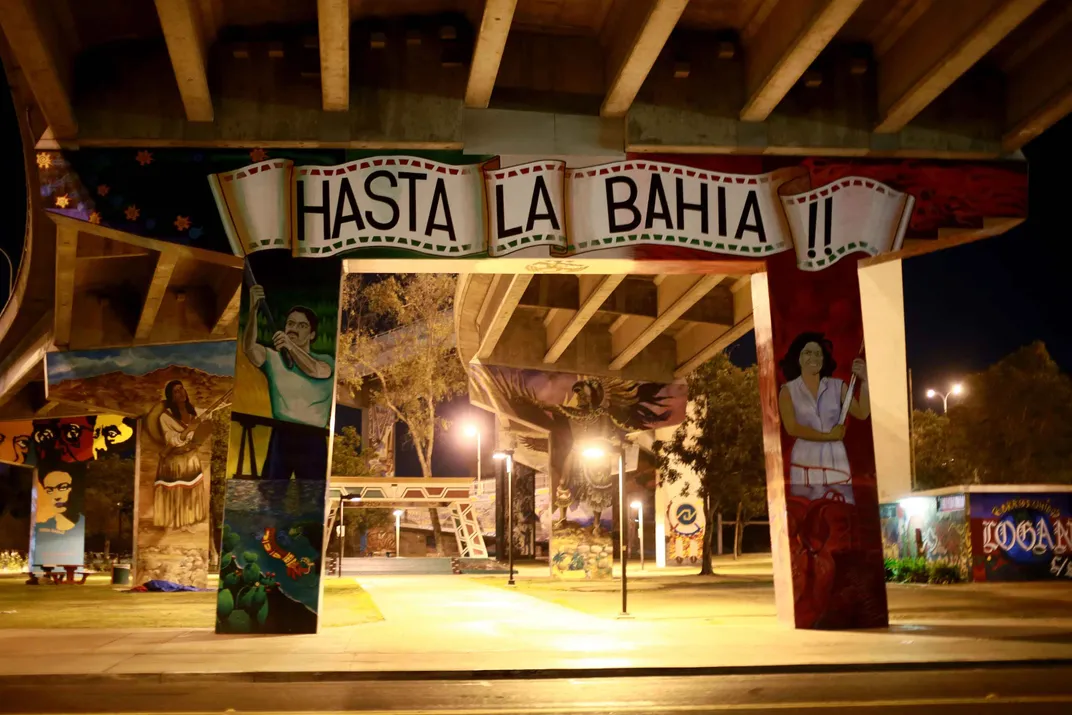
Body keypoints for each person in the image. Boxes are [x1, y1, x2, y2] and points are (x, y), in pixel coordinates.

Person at [244, 284, 334, 479]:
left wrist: (291, 346)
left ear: (312, 335)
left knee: (310, 499)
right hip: (281, 435)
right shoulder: (273, 358)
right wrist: (253, 310)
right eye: (291, 324)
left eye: (302, 326)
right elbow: (250, 349)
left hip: (313, 439)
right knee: (271, 497)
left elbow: (317, 371)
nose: (294, 329)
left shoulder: (325, 361)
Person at [778, 332, 869, 493]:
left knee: (839, 510)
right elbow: (792, 428)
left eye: (818, 354)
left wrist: (865, 380)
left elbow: (862, 413)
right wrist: (828, 436)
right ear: (798, 358)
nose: (814, 357)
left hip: (836, 463)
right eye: (808, 353)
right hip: (804, 465)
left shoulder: (838, 386)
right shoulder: (788, 391)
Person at [153, 380, 210, 529]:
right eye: (176, 391)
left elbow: (207, 421)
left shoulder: (196, 412)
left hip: (191, 458)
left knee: (191, 492)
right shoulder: (165, 418)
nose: (181, 393)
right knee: (175, 491)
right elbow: (171, 440)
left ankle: (189, 522)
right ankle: (174, 523)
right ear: (171, 397)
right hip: (174, 460)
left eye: (182, 389)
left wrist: (203, 423)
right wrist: (187, 430)